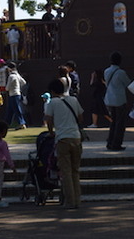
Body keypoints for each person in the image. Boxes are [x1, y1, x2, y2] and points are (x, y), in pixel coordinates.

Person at [44, 78, 84, 210]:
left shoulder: (52, 103)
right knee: (75, 171)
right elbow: (80, 117)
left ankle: (70, 201)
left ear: (52, 91)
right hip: (76, 137)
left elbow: (48, 120)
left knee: (65, 171)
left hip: (62, 138)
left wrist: (51, 132)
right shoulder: (73, 99)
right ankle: (77, 200)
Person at [104, 51, 131, 151]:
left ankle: (110, 142)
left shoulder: (106, 71)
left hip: (109, 99)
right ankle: (116, 144)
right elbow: (128, 83)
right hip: (119, 100)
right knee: (120, 123)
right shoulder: (121, 72)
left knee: (113, 122)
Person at [4, 62, 27, 130]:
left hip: (13, 94)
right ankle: (7, 124)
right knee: (10, 110)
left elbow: (7, 88)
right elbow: (24, 82)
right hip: (17, 93)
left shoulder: (11, 76)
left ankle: (22, 123)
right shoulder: (17, 75)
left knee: (16, 109)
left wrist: (9, 88)